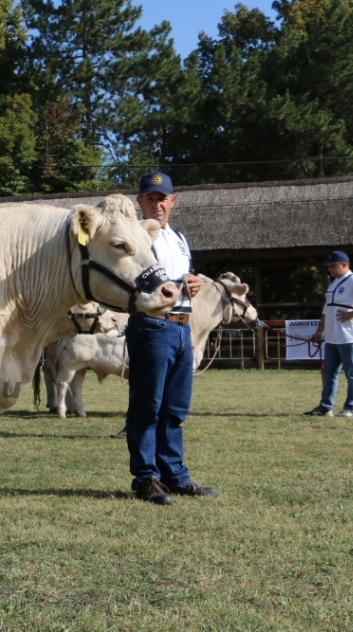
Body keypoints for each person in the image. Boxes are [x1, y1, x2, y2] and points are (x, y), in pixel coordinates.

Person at [125, 172, 218, 505]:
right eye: (150, 197)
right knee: (147, 406)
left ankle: (175, 477)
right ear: (140, 201)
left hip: (181, 326)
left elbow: (182, 278)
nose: (157, 203)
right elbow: (131, 279)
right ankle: (146, 479)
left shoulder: (178, 237)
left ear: (173, 201)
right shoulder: (134, 235)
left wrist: (193, 282)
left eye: (162, 197)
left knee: (175, 409)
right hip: (151, 326)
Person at [304, 251, 353, 418]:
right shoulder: (334, 283)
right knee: (329, 373)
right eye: (328, 266)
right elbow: (327, 310)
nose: (329, 269)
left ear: (344, 265)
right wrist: (319, 331)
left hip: (350, 337)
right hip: (332, 337)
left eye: (332, 265)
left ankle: (350, 409)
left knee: (352, 373)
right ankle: (325, 407)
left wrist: (351, 314)